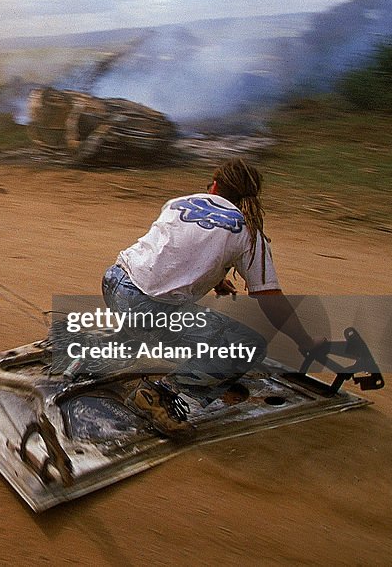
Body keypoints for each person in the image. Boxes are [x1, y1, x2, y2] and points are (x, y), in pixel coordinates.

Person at [101, 159, 324, 439]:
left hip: (114, 282)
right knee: (246, 345)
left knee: (174, 308)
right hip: (146, 309)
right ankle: (158, 395)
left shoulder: (179, 203)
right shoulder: (249, 233)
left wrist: (216, 279)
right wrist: (305, 341)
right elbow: (271, 300)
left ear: (215, 185)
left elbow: (174, 251)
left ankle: (130, 338)